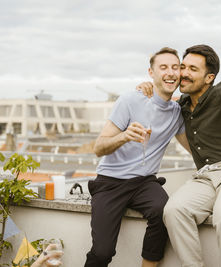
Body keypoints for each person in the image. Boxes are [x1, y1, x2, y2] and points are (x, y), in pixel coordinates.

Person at [137, 30, 221, 267]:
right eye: (183, 67)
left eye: (192, 70)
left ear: (209, 78)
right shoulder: (183, 105)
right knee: (174, 210)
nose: (183, 74)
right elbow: (163, 98)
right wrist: (149, 87)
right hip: (206, 177)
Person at [84, 47, 190, 267]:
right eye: (163, 67)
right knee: (102, 252)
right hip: (110, 182)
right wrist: (124, 136)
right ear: (151, 73)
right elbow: (99, 147)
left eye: (175, 67)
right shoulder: (130, 100)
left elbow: (193, 148)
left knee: (164, 212)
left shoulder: (178, 111)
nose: (170, 72)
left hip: (144, 183)